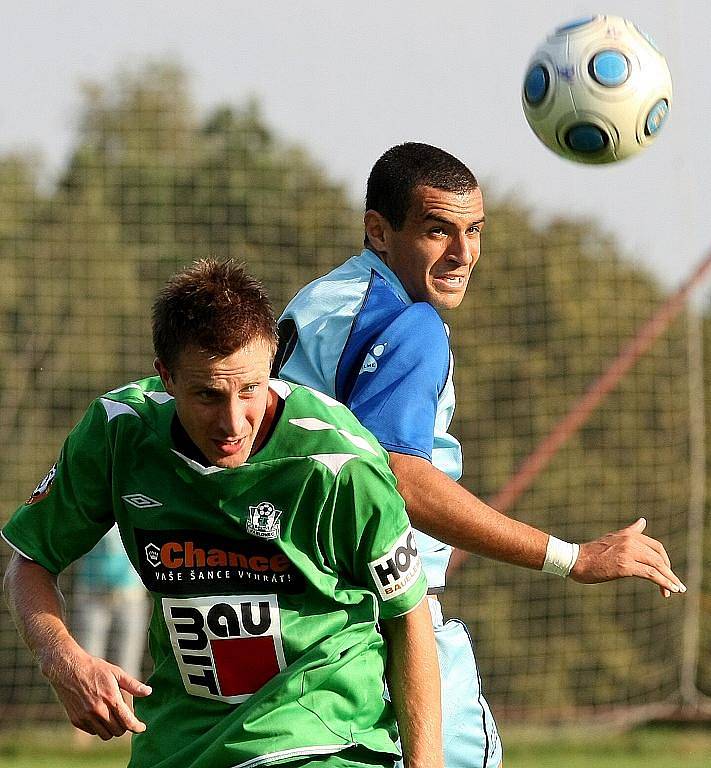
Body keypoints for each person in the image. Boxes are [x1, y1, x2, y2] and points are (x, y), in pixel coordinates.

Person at [273, 142, 687, 768]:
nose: (463, 255)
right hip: (377, 619)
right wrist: (571, 558)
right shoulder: (409, 325)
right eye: (438, 231)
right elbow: (402, 483)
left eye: (474, 232)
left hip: (294, 609)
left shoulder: (321, 299)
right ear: (379, 231)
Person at [2, 259, 443, 768]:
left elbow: (408, 616)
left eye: (250, 389)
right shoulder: (118, 432)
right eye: (209, 394)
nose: (234, 422)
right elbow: (30, 562)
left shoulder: (341, 464)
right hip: (181, 743)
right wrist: (63, 659)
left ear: (272, 361)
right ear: (165, 375)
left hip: (321, 739)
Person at [72, 525, 149, 745]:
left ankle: (129, 733)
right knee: (85, 662)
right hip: (92, 591)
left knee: (128, 665)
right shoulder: (94, 509)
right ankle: (82, 736)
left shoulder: (131, 510)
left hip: (130, 593)